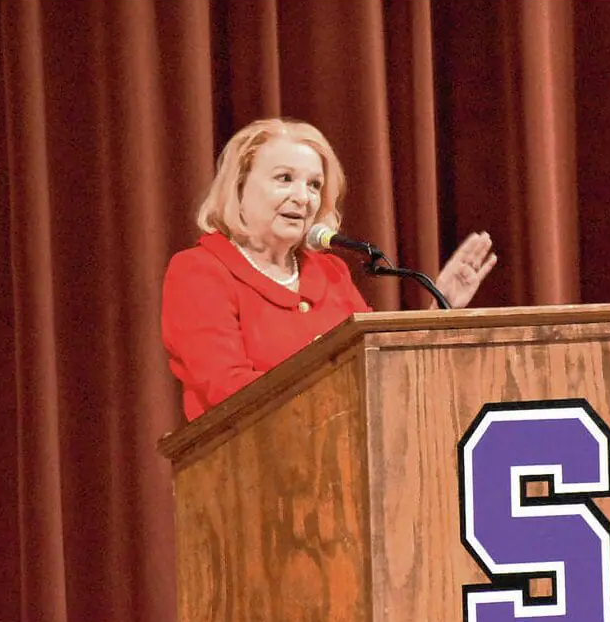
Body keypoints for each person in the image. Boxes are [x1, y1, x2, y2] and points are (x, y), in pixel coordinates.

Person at [161, 117, 497, 420]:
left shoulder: (330, 272)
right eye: (284, 179)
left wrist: (439, 307)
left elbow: (378, 367)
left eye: (314, 185)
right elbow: (228, 389)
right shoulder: (200, 271)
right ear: (239, 187)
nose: (304, 197)